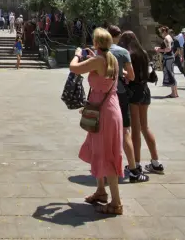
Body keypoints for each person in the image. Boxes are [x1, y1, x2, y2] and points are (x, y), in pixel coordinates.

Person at [70, 28, 125, 216]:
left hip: (103, 112)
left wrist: (77, 55)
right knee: (98, 150)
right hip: (108, 108)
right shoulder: (112, 59)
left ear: (96, 42)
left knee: (107, 153)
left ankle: (116, 203)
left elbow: (74, 68)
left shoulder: (98, 60)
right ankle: (101, 191)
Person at [118, 31, 164, 175]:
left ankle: (136, 164)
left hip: (134, 93)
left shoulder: (129, 54)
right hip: (145, 91)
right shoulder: (143, 52)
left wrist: (122, 73)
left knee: (135, 130)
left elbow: (131, 76)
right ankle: (156, 162)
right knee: (145, 127)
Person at [107, 26, 144, 183]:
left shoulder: (99, 53)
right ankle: (134, 169)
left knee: (104, 133)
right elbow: (132, 76)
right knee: (125, 132)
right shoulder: (122, 52)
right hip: (119, 93)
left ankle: (106, 168)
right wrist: (121, 72)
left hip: (102, 96)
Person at [157, 27, 178, 99]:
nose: (160, 34)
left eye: (161, 32)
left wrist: (159, 50)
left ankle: (174, 93)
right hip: (170, 57)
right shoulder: (169, 37)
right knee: (171, 73)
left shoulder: (166, 38)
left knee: (170, 74)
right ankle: (175, 92)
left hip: (168, 57)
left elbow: (168, 49)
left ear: (164, 32)